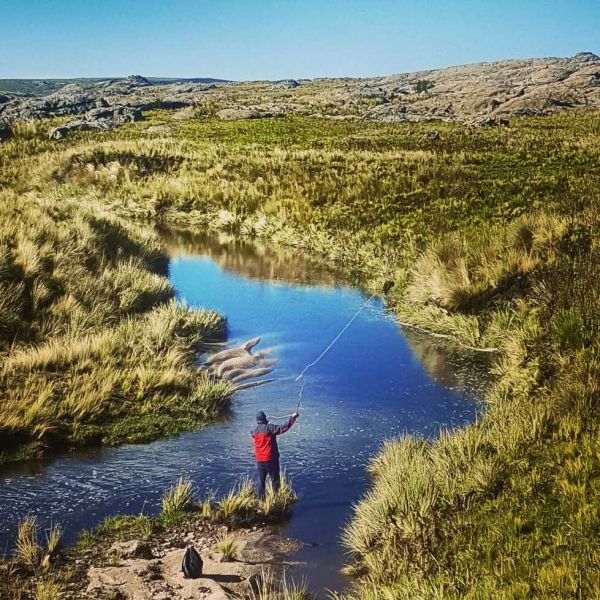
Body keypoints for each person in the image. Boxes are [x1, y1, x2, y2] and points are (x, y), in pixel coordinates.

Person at [251, 410, 298, 499]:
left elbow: (252, 434)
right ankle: (276, 498)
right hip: (271, 459)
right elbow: (283, 428)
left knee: (261, 482)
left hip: (259, 460)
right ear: (265, 419)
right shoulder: (270, 428)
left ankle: (261, 501)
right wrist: (292, 418)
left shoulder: (254, 431)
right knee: (275, 480)